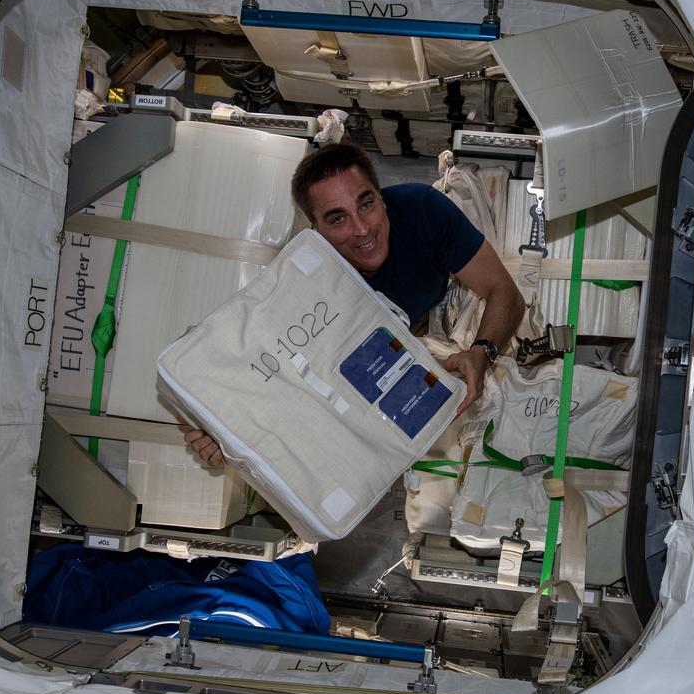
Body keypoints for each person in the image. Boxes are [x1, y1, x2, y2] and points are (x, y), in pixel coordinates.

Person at [186, 142, 524, 467]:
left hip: (427, 309)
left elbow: (503, 291)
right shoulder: (304, 284)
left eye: (366, 204)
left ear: (382, 197)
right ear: (315, 229)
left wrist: (482, 353)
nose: (362, 229)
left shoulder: (423, 210)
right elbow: (263, 369)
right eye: (337, 219)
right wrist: (220, 430)